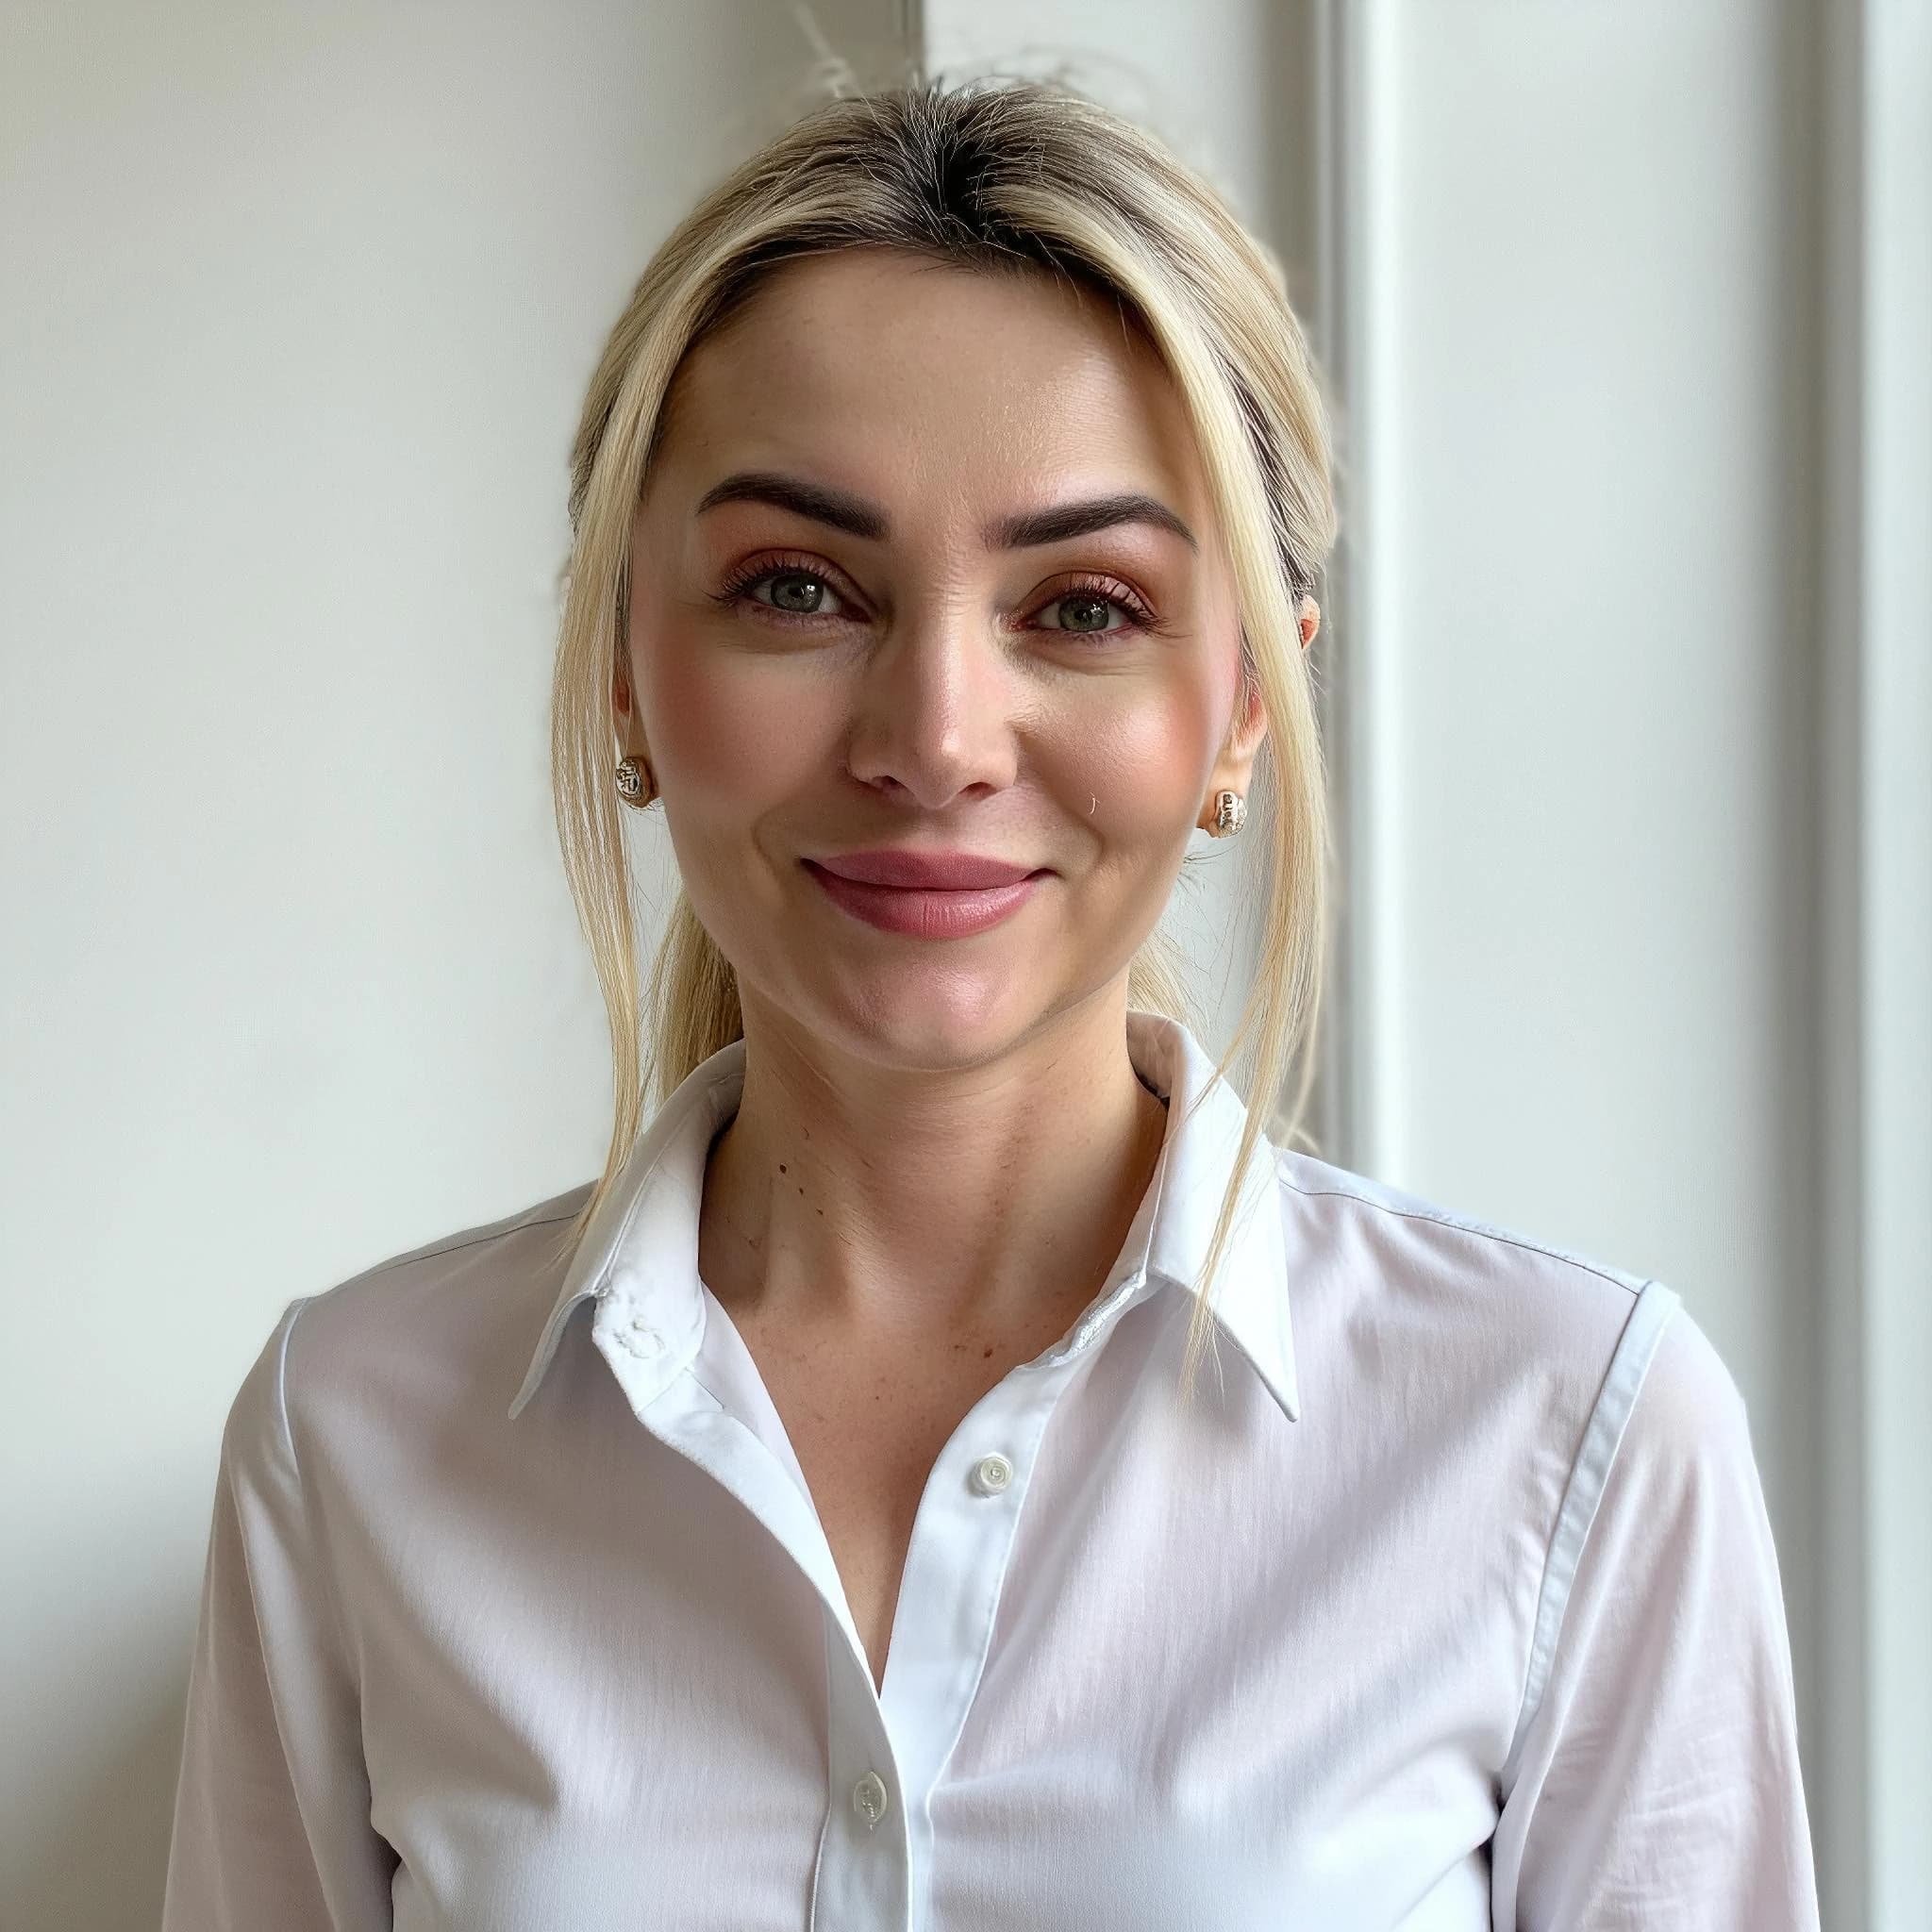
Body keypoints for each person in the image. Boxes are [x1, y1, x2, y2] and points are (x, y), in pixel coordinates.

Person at [161, 71, 1821, 1932]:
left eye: (1086, 606)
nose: (937, 740)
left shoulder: (1569, 1428)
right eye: (797, 586)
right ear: (626, 665)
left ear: (1247, 704)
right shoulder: (357, 1428)